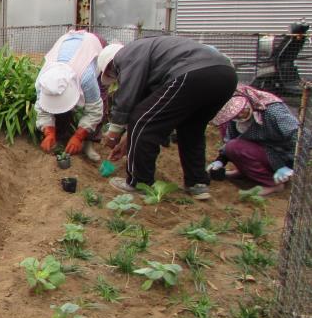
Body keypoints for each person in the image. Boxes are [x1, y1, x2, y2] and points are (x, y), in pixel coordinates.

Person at [97, 36, 237, 200]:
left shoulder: (126, 55)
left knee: (141, 119)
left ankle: (138, 182)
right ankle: (197, 183)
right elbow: (154, 114)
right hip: (225, 75)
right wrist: (129, 139)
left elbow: (132, 102)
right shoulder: (151, 58)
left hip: (192, 73)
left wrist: (114, 132)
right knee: (191, 128)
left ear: (110, 66)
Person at [209, 83, 298, 195]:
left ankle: (273, 184)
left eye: (242, 110)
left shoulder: (272, 110)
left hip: (282, 154)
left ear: (248, 101)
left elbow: (297, 136)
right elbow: (230, 139)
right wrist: (220, 160)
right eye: (236, 114)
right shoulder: (234, 118)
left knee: (235, 146)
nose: (240, 115)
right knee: (231, 142)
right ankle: (243, 172)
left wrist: (289, 166)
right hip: (261, 151)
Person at [35, 30, 107, 161]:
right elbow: (42, 109)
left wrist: (79, 136)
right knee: (60, 110)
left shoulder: (86, 77)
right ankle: (61, 138)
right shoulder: (43, 80)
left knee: (101, 96)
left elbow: (94, 110)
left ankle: (89, 142)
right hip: (68, 42)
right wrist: (49, 132)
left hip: (93, 47)